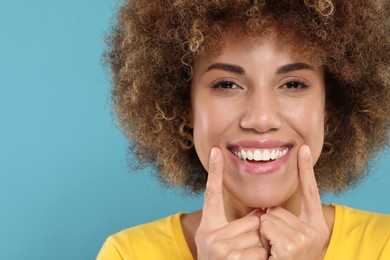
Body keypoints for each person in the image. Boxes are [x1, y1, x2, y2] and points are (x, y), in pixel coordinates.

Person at [97, 0, 390, 259]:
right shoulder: (128, 253)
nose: (261, 119)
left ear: (331, 104)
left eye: (293, 84)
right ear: (184, 106)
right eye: (226, 84)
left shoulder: (383, 245)